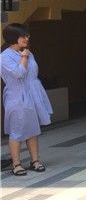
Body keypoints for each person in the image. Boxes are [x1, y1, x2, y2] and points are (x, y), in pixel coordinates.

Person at [1, 23, 52, 176]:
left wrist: (25, 54)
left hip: (32, 94)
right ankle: (16, 164)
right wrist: (24, 57)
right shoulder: (4, 57)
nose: (26, 38)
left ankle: (35, 160)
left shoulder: (28, 52)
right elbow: (18, 73)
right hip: (17, 95)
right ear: (13, 37)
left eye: (27, 35)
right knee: (17, 129)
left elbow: (33, 74)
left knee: (33, 128)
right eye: (23, 35)